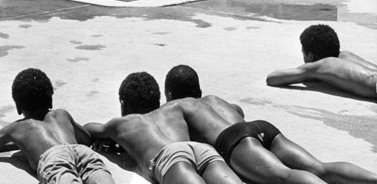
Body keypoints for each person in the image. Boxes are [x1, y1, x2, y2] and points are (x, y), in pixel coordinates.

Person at [164, 65, 376, 184]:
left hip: (235, 141)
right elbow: (239, 111)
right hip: (260, 127)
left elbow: (176, 142)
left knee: (284, 177)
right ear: (199, 90)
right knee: (318, 167)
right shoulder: (214, 99)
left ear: (170, 95)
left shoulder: (179, 107)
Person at [0, 67, 116, 184]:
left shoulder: (19, 128)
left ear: (18, 108)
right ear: (50, 100)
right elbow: (87, 139)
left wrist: (16, 143)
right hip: (82, 152)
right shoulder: (61, 114)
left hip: (54, 159)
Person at [85, 71, 240, 184]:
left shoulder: (122, 125)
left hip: (170, 158)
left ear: (123, 104)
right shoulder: (172, 109)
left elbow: (88, 129)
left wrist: (114, 139)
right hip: (200, 150)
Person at [266, 24, 377, 100]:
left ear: (310, 56)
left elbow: (272, 78)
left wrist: (309, 72)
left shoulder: (322, 65)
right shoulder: (346, 55)